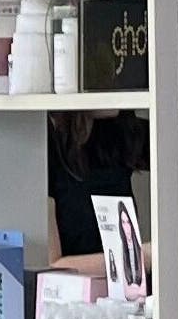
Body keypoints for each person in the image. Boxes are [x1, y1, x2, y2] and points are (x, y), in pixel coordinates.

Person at [46, 110, 144, 277]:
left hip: (126, 293)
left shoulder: (117, 132)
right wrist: (144, 258)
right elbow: (52, 267)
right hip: (70, 296)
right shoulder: (44, 144)